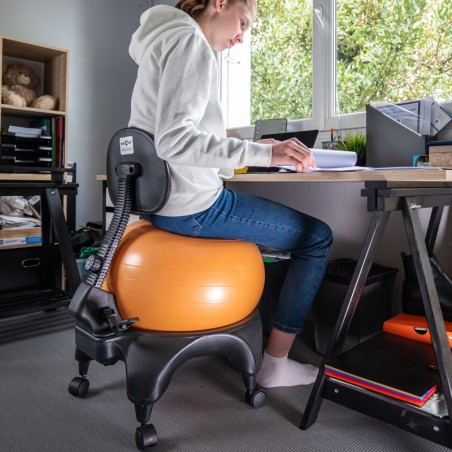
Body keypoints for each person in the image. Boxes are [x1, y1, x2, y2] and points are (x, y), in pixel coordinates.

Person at [128, 0, 333, 388]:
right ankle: (276, 363)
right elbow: (176, 141)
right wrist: (266, 153)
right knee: (316, 237)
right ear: (219, 3)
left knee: (287, 235)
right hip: (194, 205)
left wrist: (254, 148)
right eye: (242, 21)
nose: (241, 36)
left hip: (161, 202)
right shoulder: (190, 42)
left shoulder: (162, 39)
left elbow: (182, 141)